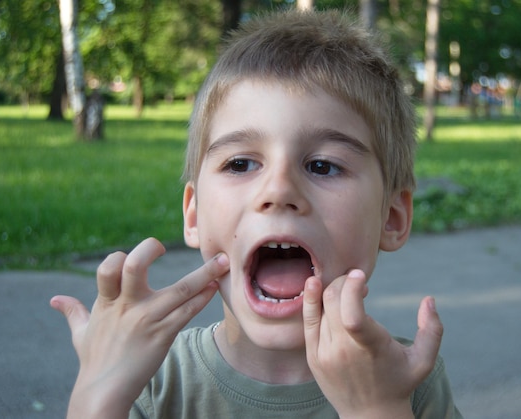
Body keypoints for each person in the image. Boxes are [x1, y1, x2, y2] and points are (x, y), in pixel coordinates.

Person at [50, 9, 462, 419]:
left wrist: (377, 409)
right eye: (241, 164)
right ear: (193, 215)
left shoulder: (403, 383)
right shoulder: (150, 382)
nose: (279, 190)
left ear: (391, 218)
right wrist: (98, 393)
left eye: (322, 165)